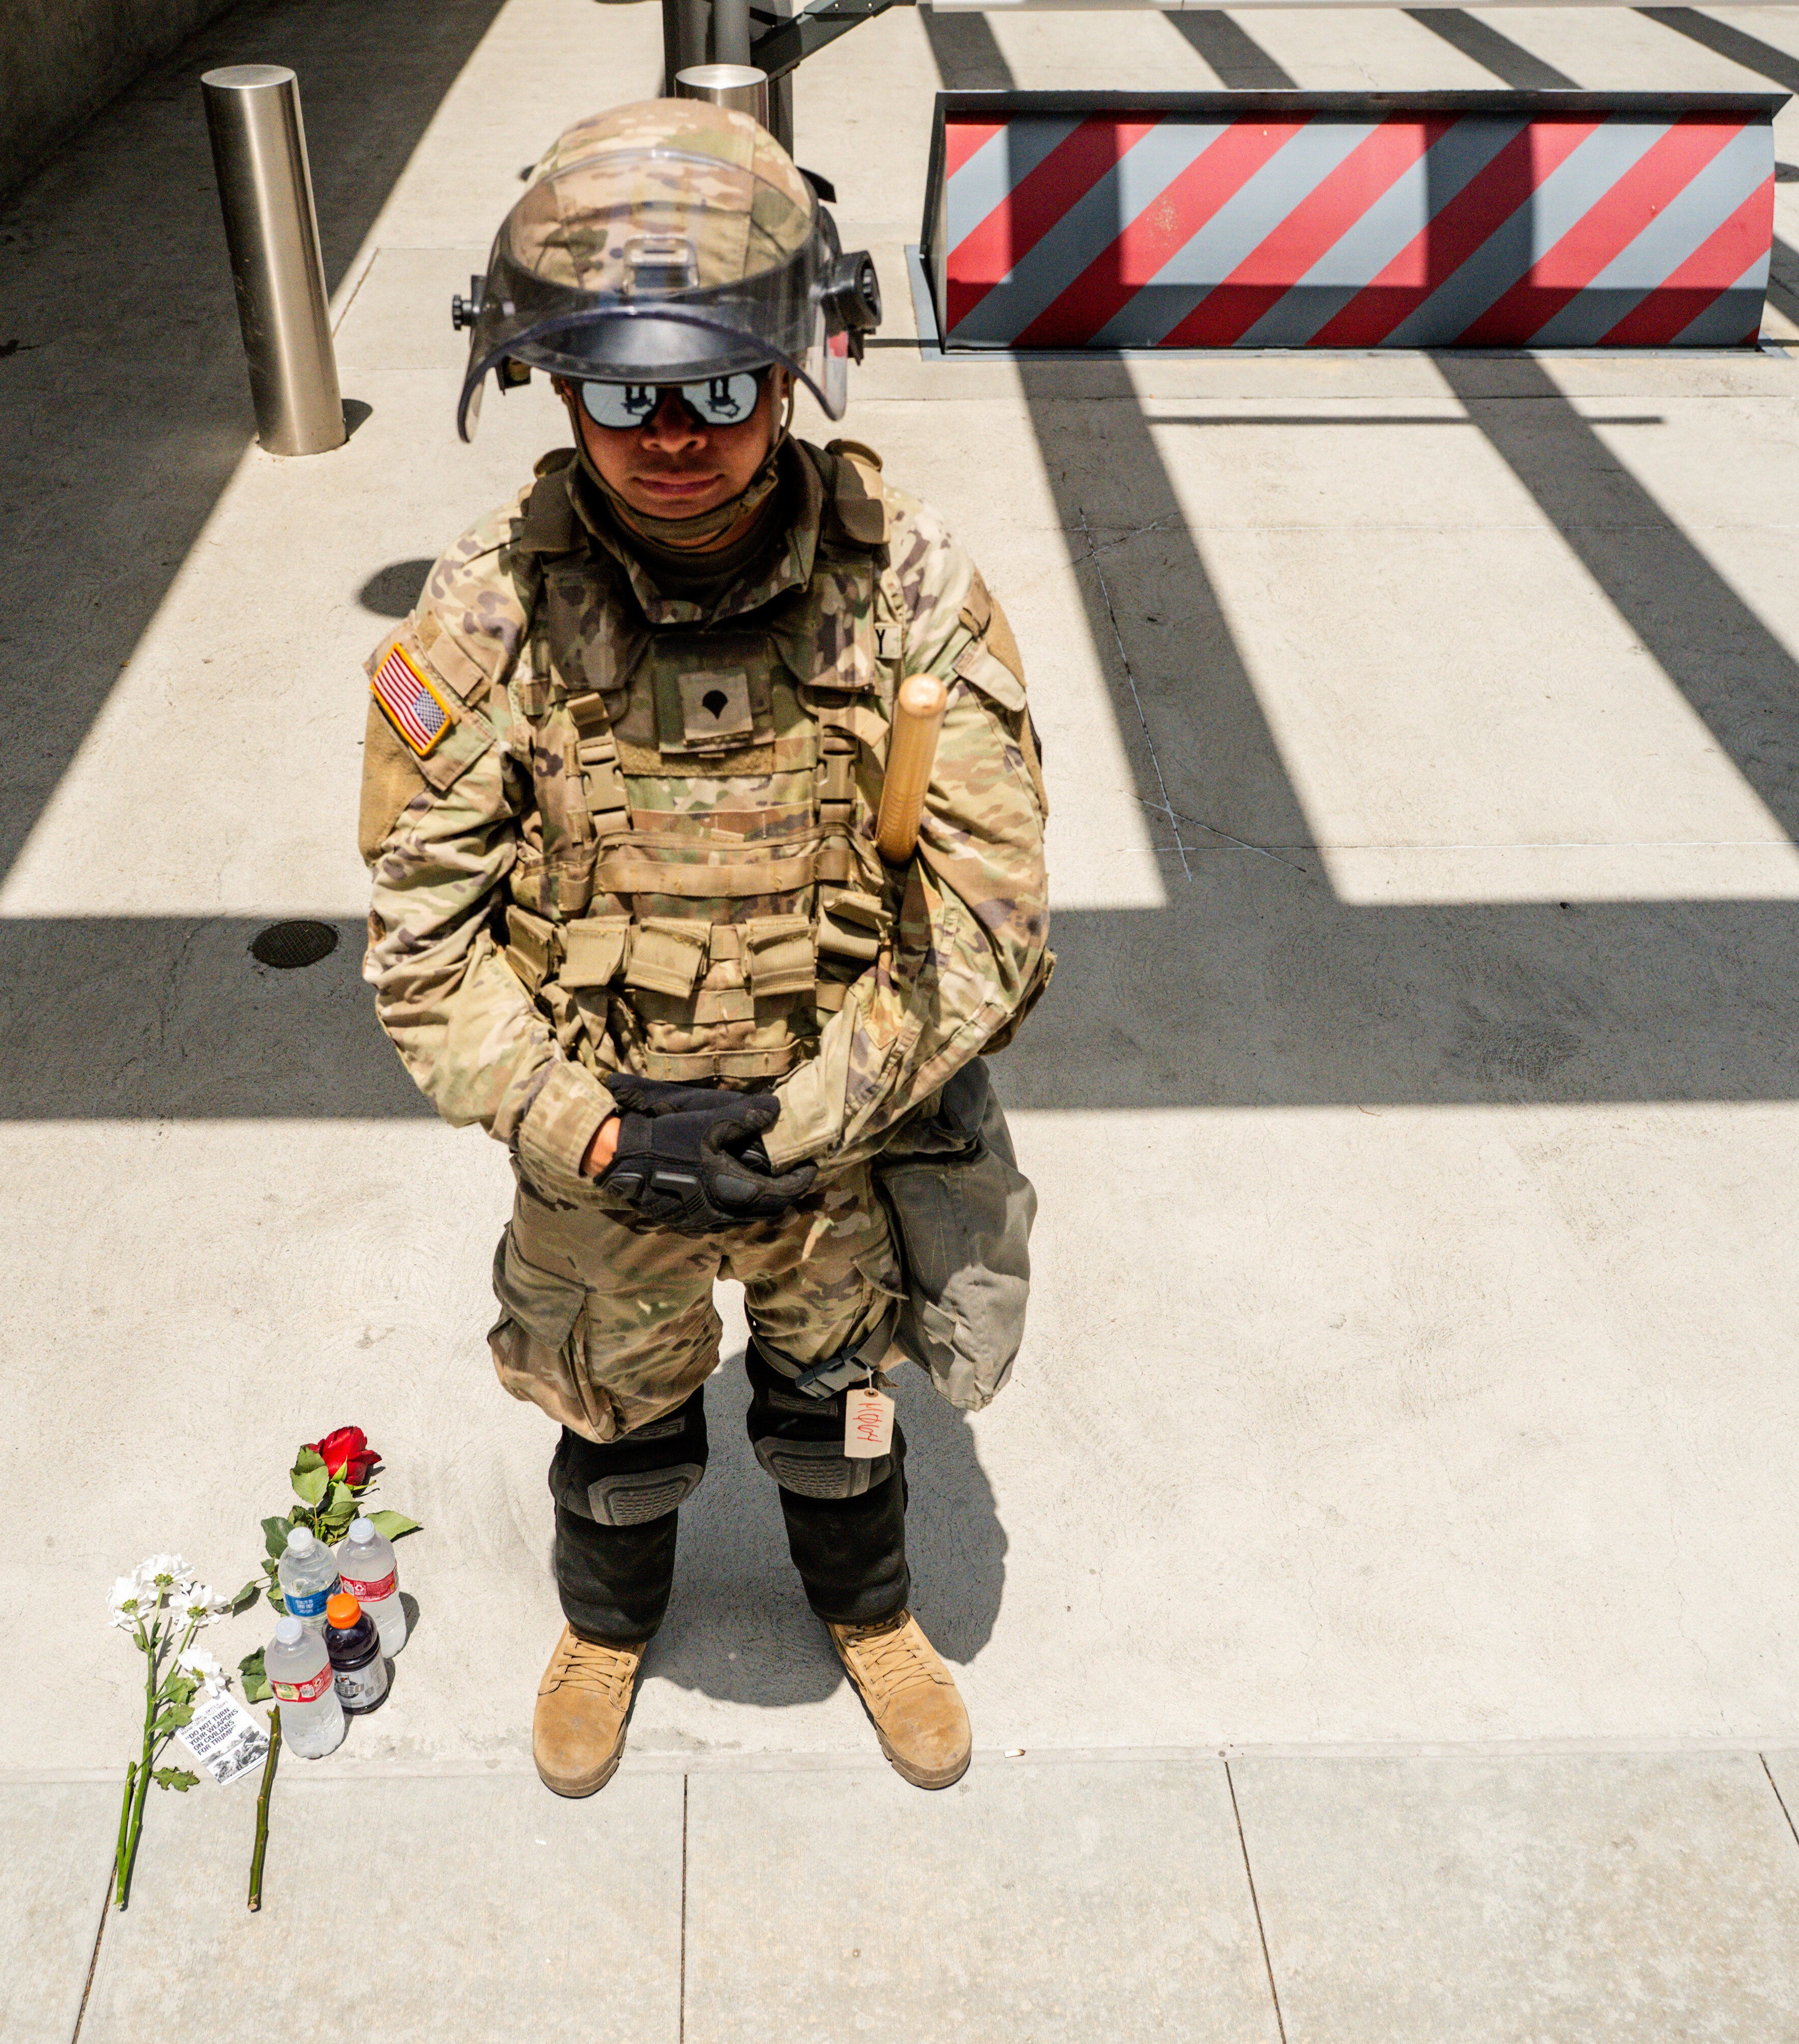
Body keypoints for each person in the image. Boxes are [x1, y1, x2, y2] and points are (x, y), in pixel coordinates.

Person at [357, 98, 1051, 1798]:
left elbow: (988, 925)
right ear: (552, 386)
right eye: (622, 393)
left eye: (721, 389)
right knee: (618, 1423)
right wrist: (589, 1131)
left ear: (796, 374)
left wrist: (798, 1129)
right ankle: (607, 1627)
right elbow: (422, 948)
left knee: (841, 1412)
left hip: (839, 1127)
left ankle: (869, 1617)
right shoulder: (485, 609)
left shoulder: (906, 591)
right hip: (600, 1145)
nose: (675, 436)